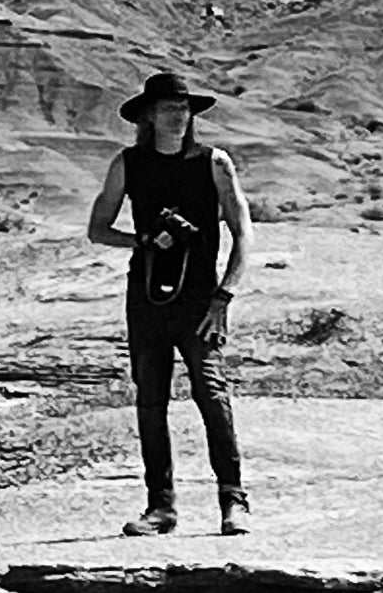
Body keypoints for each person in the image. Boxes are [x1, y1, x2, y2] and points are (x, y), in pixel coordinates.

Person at [86, 69, 252, 537]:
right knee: (151, 401)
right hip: (146, 300)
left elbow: (242, 232)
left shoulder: (214, 163)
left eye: (183, 108)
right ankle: (160, 507)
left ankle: (233, 501)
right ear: (148, 116)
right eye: (167, 108)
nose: (177, 115)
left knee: (212, 394)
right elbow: (97, 229)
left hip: (200, 300)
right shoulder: (128, 164)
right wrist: (142, 241)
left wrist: (224, 296)